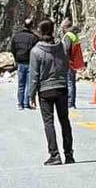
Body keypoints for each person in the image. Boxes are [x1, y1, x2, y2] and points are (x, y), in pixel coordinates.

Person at [27, 19, 74, 165]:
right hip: (61, 87)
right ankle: (69, 154)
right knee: (64, 121)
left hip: (45, 90)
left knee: (49, 123)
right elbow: (66, 65)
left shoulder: (36, 51)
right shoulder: (61, 47)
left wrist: (31, 94)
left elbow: (34, 75)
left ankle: (54, 155)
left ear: (40, 32)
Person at [11, 19, 39, 109]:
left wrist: (16, 59)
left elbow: (13, 49)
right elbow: (37, 51)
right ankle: (27, 103)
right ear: (31, 26)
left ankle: (20, 104)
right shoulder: (34, 38)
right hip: (30, 63)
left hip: (20, 63)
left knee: (21, 84)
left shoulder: (16, 36)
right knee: (29, 84)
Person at [61, 18, 85, 108]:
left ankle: (69, 103)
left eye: (62, 27)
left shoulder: (68, 35)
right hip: (74, 61)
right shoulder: (74, 35)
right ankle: (72, 102)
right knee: (72, 82)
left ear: (65, 27)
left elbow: (66, 49)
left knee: (69, 82)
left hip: (68, 62)